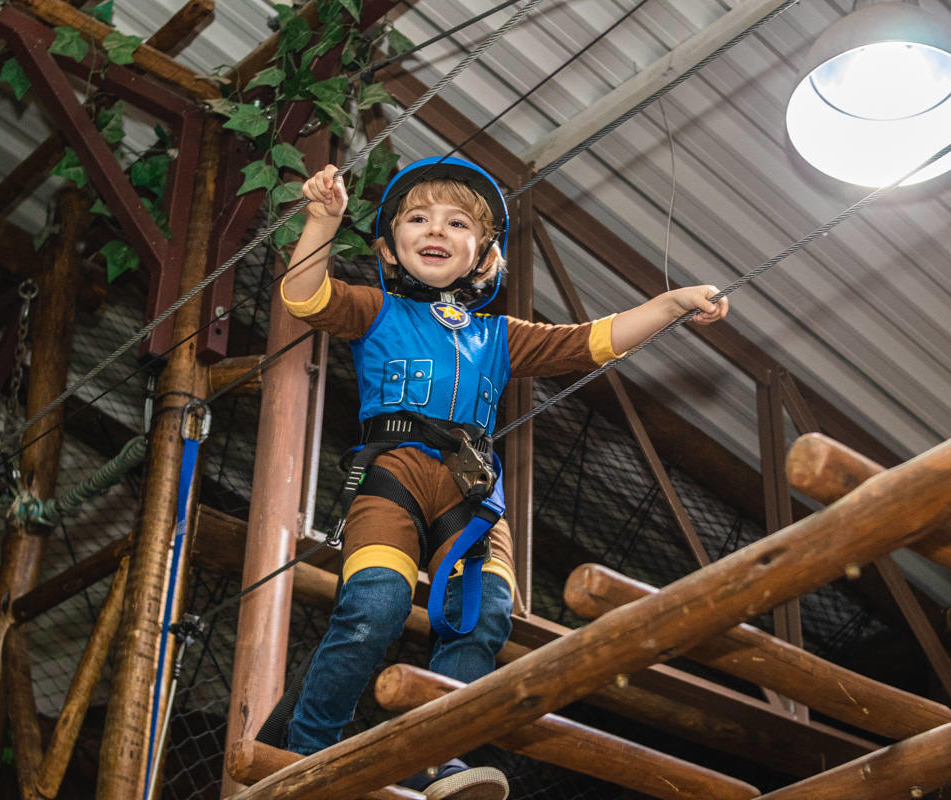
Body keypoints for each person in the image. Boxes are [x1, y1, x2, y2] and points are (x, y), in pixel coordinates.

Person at [276, 155, 728, 799]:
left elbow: (589, 341)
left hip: (474, 493)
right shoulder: (376, 310)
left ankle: (442, 760)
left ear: (484, 258)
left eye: (458, 223)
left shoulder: (497, 335)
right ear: (389, 248)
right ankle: (309, 746)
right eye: (418, 218)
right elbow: (303, 296)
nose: (437, 229)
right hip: (393, 474)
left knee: (484, 617)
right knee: (374, 605)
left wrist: (671, 303)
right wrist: (322, 220)